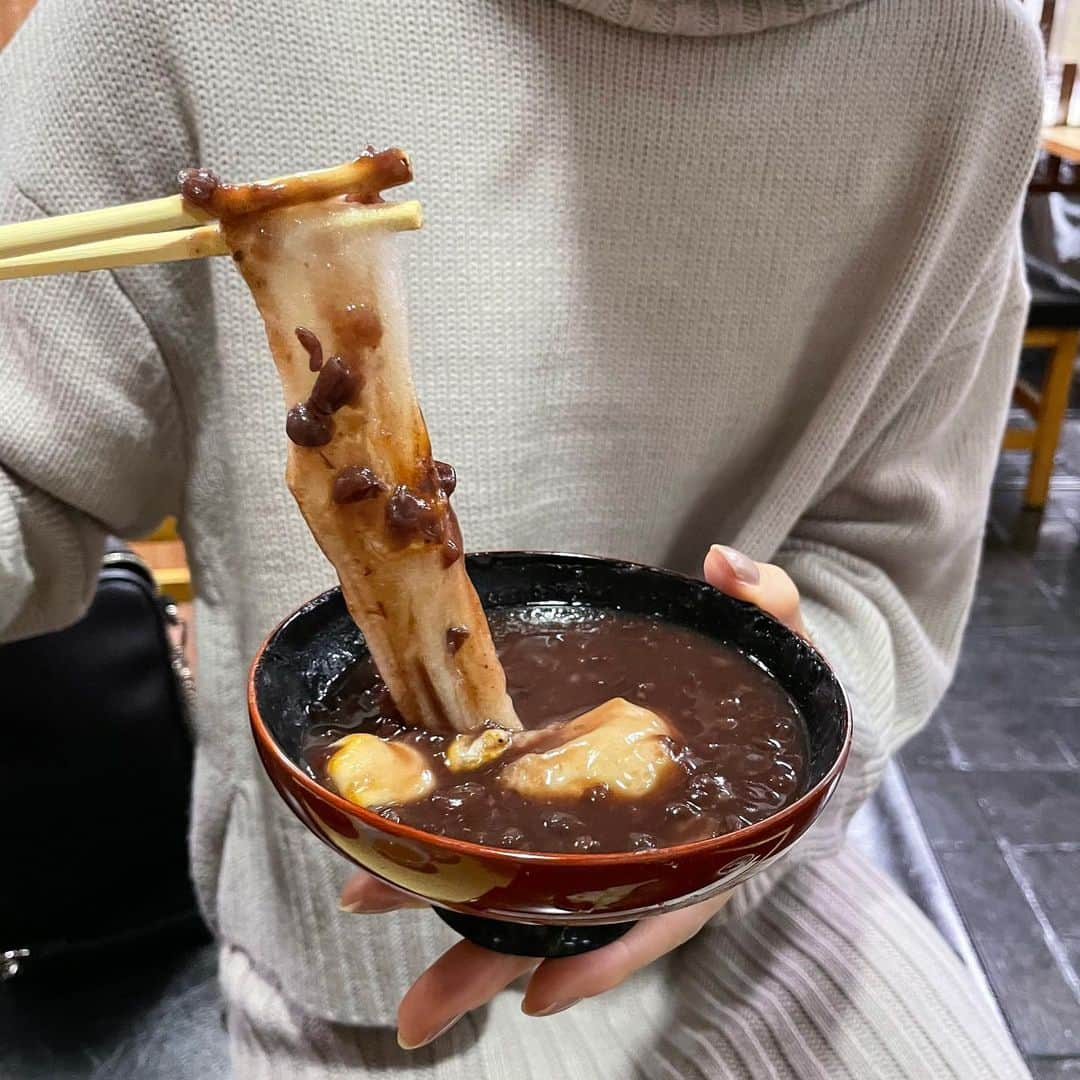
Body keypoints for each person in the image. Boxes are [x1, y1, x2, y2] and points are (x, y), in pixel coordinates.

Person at [0, 1, 1041, 1076]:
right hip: (344, 923)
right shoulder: (167, 18)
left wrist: (753, 797)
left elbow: (885, 559)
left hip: (757, 890)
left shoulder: (967, 55)